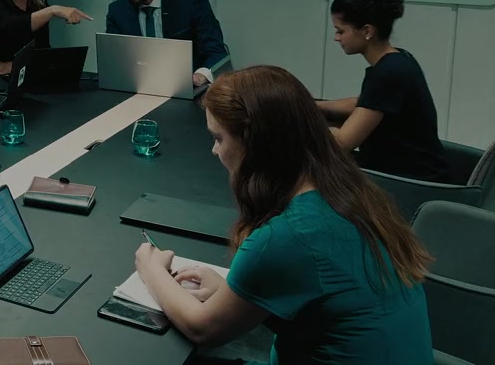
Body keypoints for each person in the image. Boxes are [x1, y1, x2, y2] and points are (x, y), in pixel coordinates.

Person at [134, 65, 434, 364]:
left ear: (253, 143)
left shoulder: (287, 235)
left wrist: (151, 269)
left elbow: (203, 328)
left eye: (218, 138)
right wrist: (231, 294)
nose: (214, 151)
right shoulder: (352, 194)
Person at [316, 0, 450, 183]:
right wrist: (313, 105)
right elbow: (367, 103)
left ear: (367, 31)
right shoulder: (400, 59)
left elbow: (343, 143)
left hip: (409, 182)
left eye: (340, 31)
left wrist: (298, 123)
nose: (336, 38)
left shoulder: (388, 73)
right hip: (410, 170)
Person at [106, 0, 229, 87]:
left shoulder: (191, 2)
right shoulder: (117, 11)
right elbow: (114, 60)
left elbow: (216, 52)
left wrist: (200, 76)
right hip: (138, 86)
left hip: (188, 86)